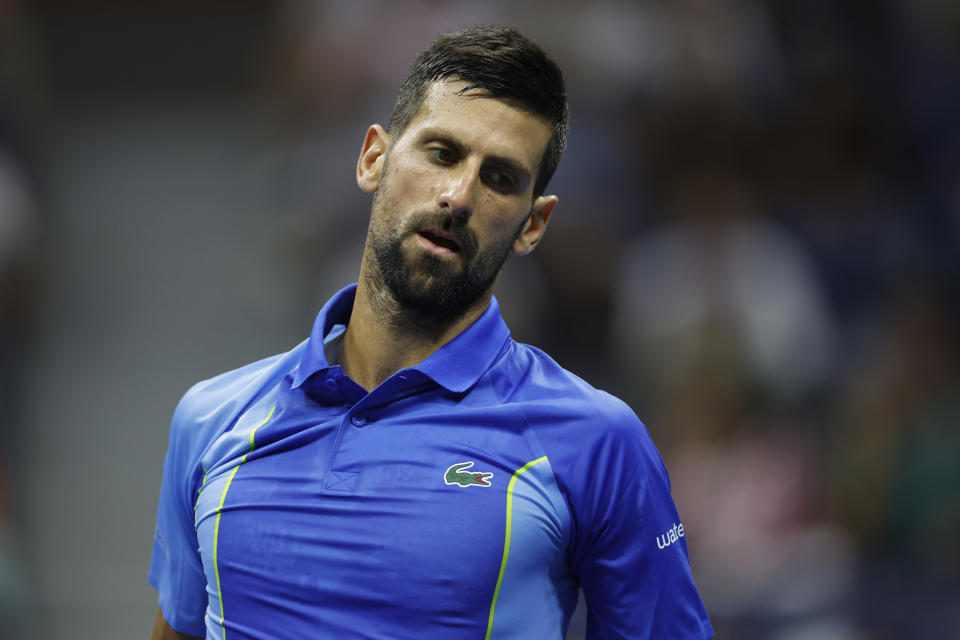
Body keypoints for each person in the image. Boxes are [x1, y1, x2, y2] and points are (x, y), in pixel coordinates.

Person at [149, 26, 713, 640]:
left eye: (499, 178)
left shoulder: (598, 442)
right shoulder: (210, 422)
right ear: (374, 159)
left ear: (534, 224)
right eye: (442, 153)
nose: (459, 196)